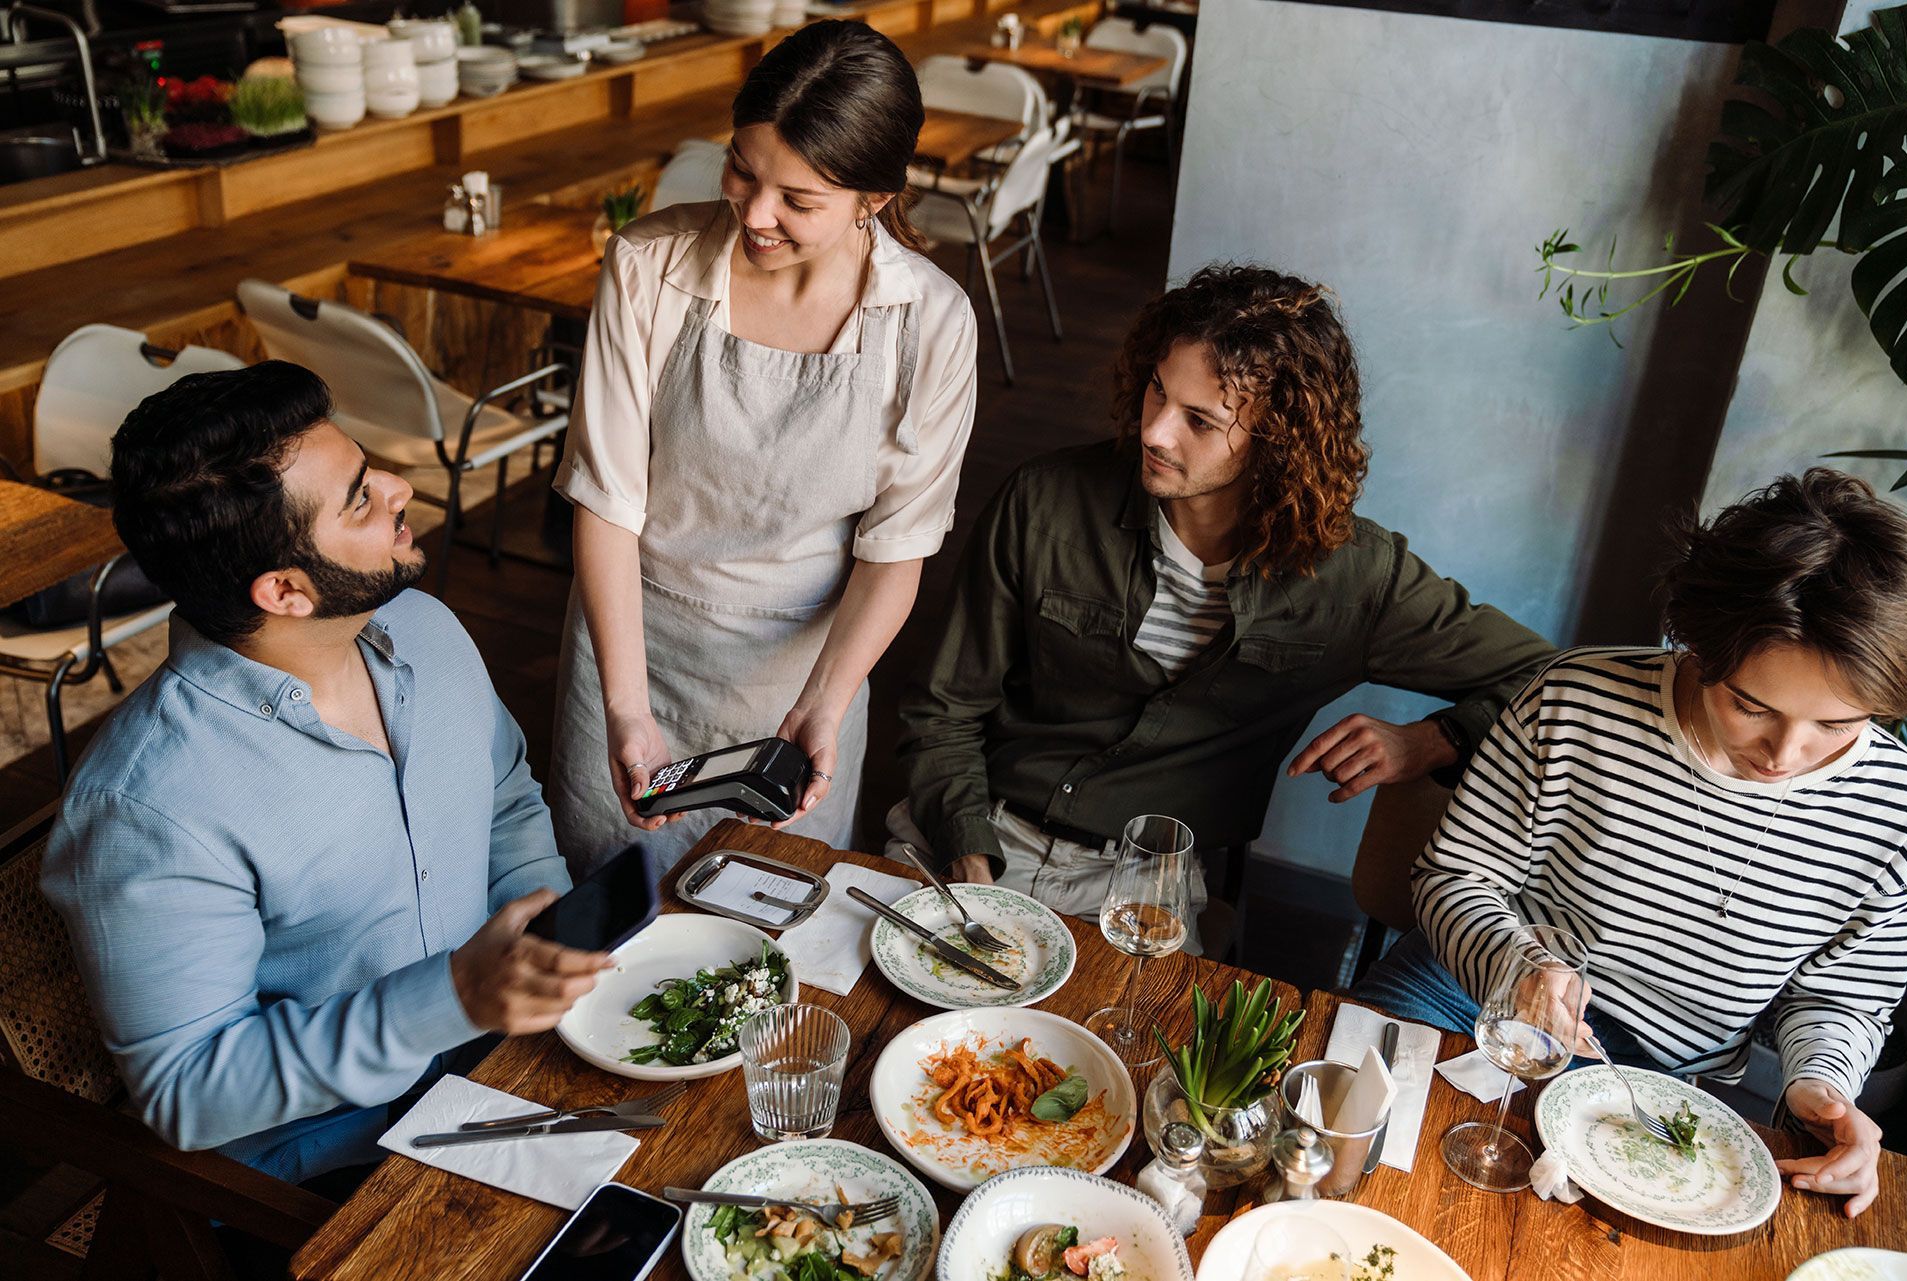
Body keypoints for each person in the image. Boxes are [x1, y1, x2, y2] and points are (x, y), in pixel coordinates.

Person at [42, 361, 604, 1188]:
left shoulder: (425, 628)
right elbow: (188, 1091)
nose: (400, 486)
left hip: (513, 1070)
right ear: (286, 591)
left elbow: (504, 796)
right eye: (359, 498)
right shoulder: (147, 805)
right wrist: (449, 998)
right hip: (334, 1171)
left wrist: (553, 936)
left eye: (368, 466)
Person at [893, 265, 1555, 943]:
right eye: (1157, 390)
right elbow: (943, 708)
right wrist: (970, 865)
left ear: (1278, 441)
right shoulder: (1044, 501)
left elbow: (1555, 681)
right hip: (976, 827)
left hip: (1143, 883)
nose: (1154, 431)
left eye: (1199, 421)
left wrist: (1431, 741)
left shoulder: (1356, 578)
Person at [1358, 469, 1907, 1217]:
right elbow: (1455, 872)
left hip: (1657, 1079)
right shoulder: (1576, 700)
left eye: (1837, 724)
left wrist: (1819, 1082)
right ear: (1694, 645)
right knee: (1347, 1154)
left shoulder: (1898, 807)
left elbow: (1842, 995)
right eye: (1751, 705)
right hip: (1473, 994)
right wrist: (1518, 965)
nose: (1785, 754)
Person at [551, 20, 978, 878]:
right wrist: (626, 708)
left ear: (874, 197)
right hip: (637, 644)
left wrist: (824, 704)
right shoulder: (648, 265)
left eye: (798, 200)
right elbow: (606, 498)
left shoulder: (930, 324)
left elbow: (895, 549)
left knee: (765, 934)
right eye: (743, 169)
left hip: (803, 674)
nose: (754, 212)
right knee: (605, 922)